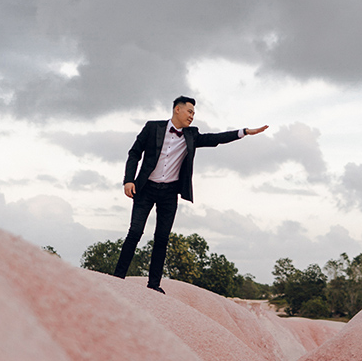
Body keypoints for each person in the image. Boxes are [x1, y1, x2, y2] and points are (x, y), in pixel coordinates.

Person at [113, 96, 267, 293]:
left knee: (162, 238)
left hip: (169, 193)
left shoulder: (191, 135)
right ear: (177, 109)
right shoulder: (153, 127)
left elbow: (215, 139)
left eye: (194, 113)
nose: (192, 116)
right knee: (135, 232)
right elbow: (134, 153)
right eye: (190, 112)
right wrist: (128, 180)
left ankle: (154, 285)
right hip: (146, 188)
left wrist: (243, 132)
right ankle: (117, 278)